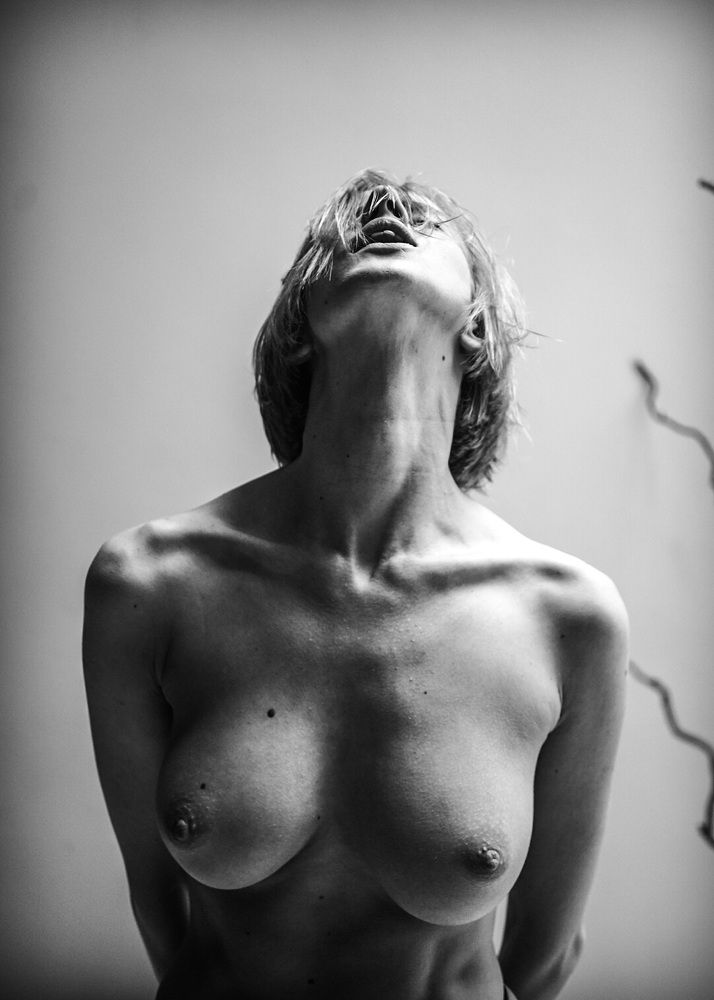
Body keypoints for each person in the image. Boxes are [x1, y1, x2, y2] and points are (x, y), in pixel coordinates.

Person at [82, 169, 628, 1000]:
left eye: (424, 221)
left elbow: (543, 960)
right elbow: (159, 913)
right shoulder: (150, 584)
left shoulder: (567, 617)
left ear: (479, 327)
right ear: (297, 324)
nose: (387, 213)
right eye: (356, 223)